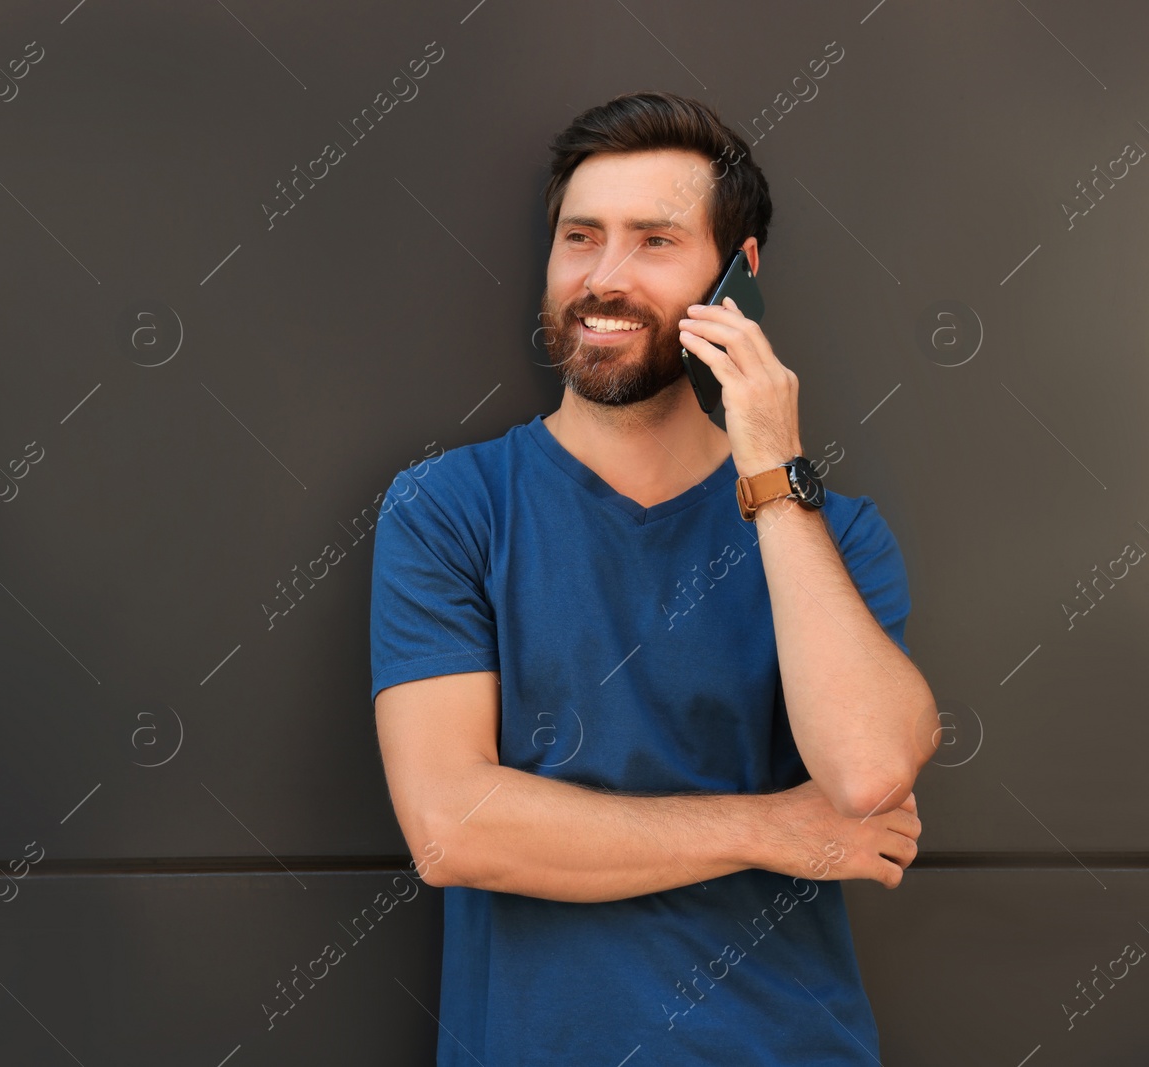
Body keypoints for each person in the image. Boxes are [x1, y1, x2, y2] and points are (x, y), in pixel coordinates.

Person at [369, 90, 940, 1065]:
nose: (602, 278)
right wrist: (773, 829)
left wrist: (773, 472)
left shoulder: (834, 531)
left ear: (737, 275)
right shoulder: (449, 507)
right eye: (579, 238)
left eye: (653, 242)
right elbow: (452, 828)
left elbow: (870, 771)